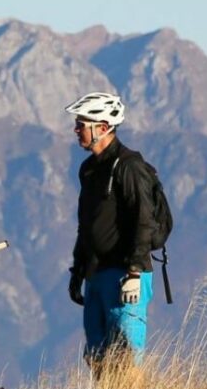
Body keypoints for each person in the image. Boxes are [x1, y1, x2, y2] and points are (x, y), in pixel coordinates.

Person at [66, 92, 159, 366]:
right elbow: (87, 225)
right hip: (96, 274)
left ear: (102, 128)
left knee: (126, 356)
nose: (76, 130)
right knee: (97, 357)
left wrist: (135, 271)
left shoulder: (129, 166)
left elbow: (143, 219)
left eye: (81, 124)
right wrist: (78, 270)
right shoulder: (88, 170)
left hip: (124, 275)